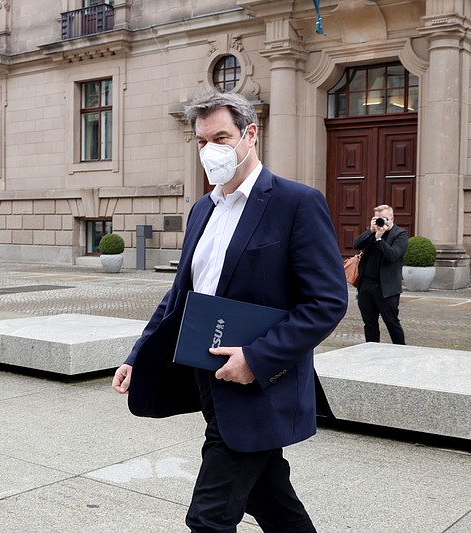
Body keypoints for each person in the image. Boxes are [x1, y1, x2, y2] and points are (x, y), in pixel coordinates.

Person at [112, 90, 348, 532]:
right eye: (201, 141)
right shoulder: (203, 209)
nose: (210, 151)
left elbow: (327, 302)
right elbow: (181, 293)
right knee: (272, 499)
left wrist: (256, 360)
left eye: (220, 137)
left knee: (209, 518)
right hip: (208, 375)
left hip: (262, 384)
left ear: (250, 134)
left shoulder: (296, 203)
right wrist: (136, 354)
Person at [353, 205, 409, 345]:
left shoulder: (400, 234)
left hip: (386, 288)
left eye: (383, 218)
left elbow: (393, 256)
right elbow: (357, 244)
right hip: (366, 285)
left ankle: (401, 351)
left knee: (392, 323)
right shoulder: (373, 232)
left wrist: (379, 239)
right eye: (377, 218)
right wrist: (371, 231)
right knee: (369, 323)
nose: (380, 222)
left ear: (391, 218)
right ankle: (372, 351)